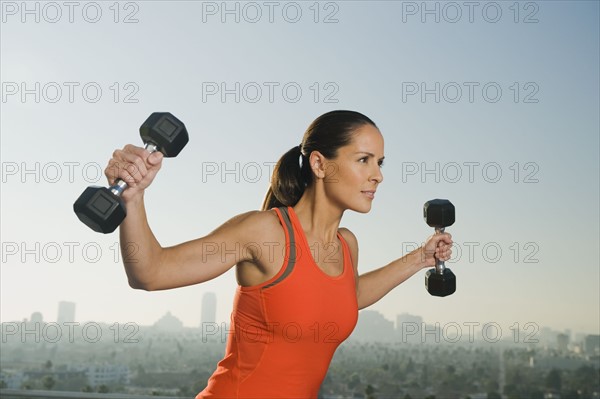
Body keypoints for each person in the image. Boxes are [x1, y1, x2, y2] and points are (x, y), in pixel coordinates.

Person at [104, 110, 453, 398]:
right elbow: (151, 273)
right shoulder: (265, 232)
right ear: (319, 164)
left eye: (380, 162)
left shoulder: (346, 244)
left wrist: (420, 258)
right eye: (363, 160)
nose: (377, 176)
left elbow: (346, 296)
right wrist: (132, 199)